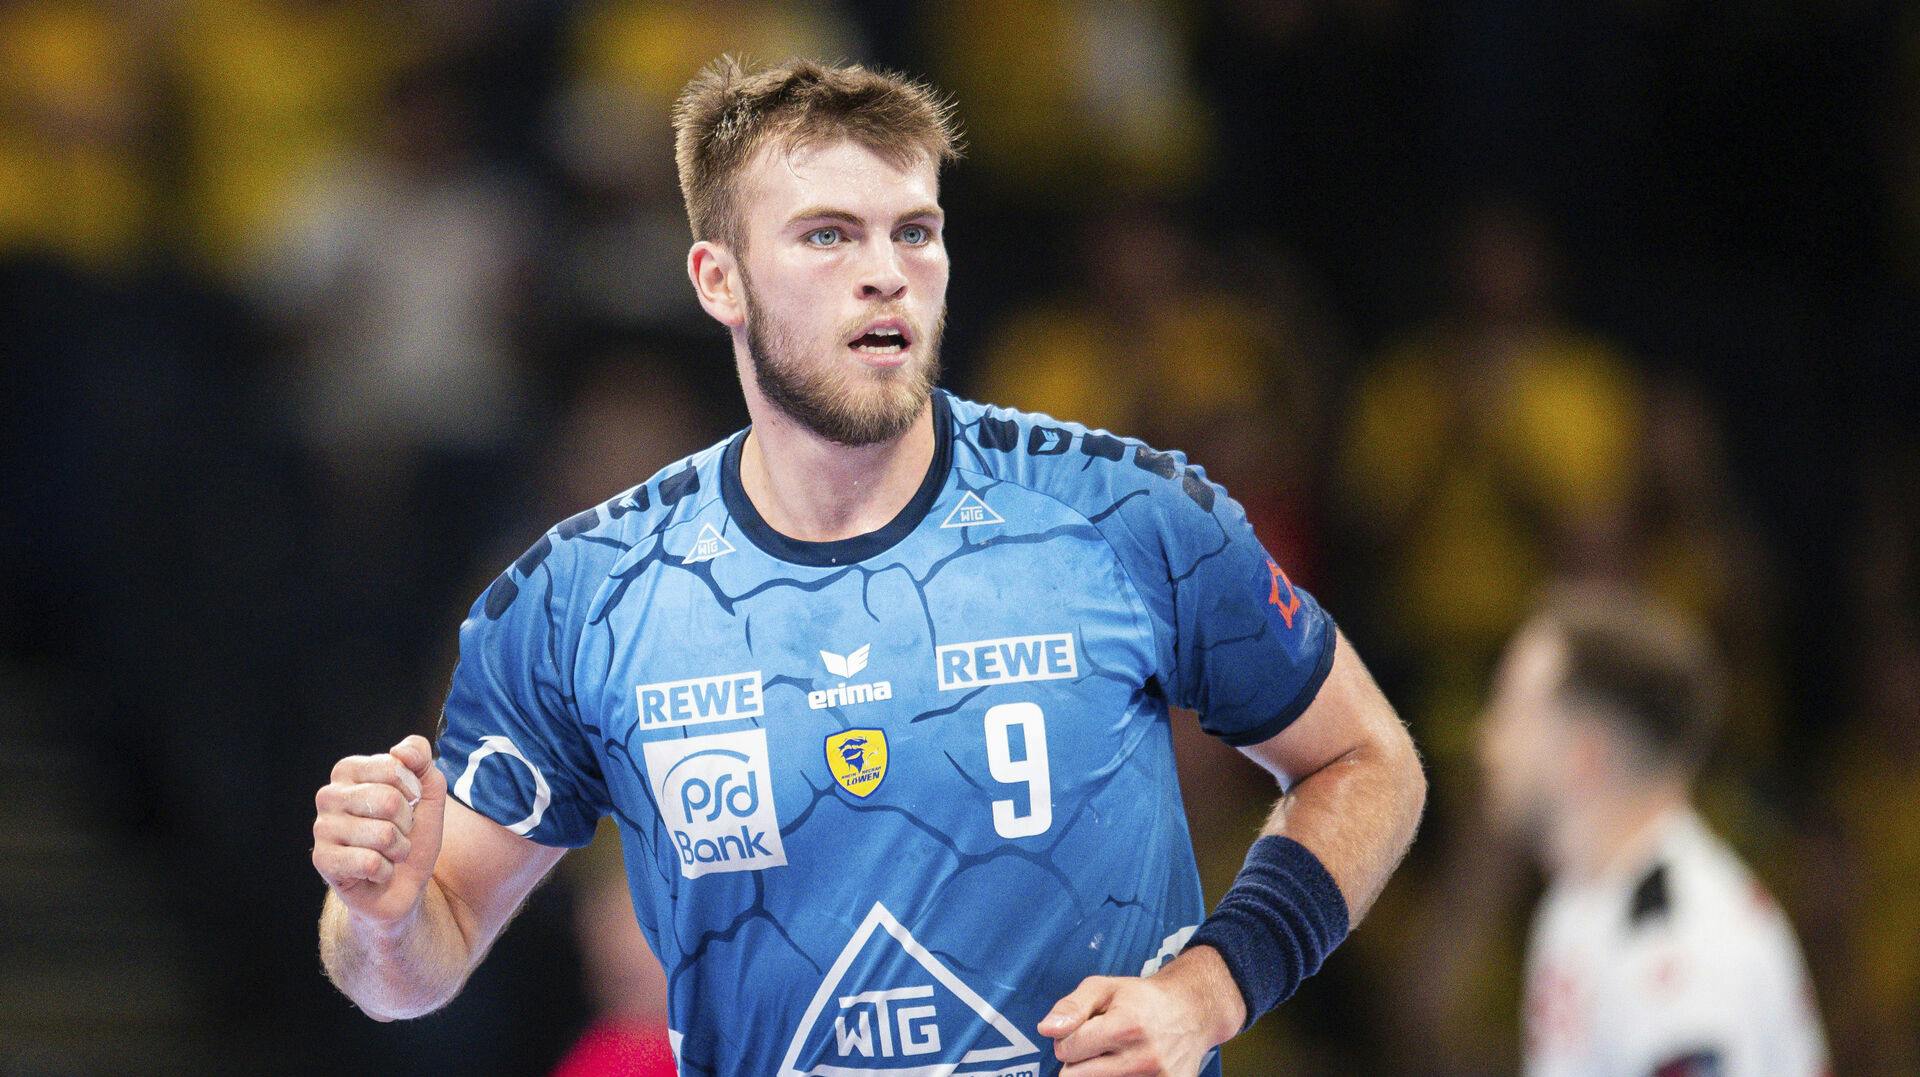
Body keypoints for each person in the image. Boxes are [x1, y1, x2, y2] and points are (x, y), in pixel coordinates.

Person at [311, 57, 1425, 1076]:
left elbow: (1369, 761)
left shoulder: (1124, 515)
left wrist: (1209, 989)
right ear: (719, 279)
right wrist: (382, 913)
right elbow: (410, 972)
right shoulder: (583, 598)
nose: (888, 274)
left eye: (916, 232)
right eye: (829, 235)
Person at [1477, 585, 1828, 1077]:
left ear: (1583, 756)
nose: (1487, 738)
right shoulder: (1584, 902)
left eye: (1512, 712)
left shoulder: (1678, 946)